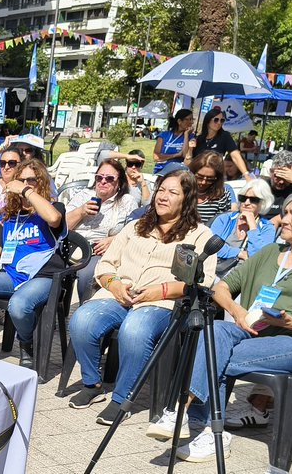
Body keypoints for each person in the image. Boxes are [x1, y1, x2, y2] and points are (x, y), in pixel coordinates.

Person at [152, 189, 292, 462]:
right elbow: (222, 287)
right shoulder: (270, 251)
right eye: (285, 212)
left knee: (213, 352)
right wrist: (237, 311)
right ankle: (205, 426)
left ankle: (190, 417)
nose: (283, 219)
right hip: (246, 330)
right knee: (216, 332)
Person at [66, 168, 217, 423]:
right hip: (119, 294)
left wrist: (157, 292)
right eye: (160, 190)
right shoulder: (136, 226)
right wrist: (114, 285)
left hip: (162, 302)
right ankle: (93, 384)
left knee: (134, 330)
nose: (162, 196)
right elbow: (105, 265)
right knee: (82, 320)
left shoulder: (199, 234)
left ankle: (122, 399)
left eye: (172, 192)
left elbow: (203, 281)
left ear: (186, 199)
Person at [0, 159, 66, 359]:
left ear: (40, 183)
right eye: (22, 180)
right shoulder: (8, 215)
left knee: (18, 305)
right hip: (12, 274)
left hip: (43, 276)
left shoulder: (54, 206)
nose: (26, 183)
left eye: (31, 180)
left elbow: (54, 219)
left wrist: (26, 191)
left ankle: (25, 341)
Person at [64, 159, 140, 301]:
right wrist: (81, 211)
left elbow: (134, 231)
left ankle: (84, 312)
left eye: (109, 178)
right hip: (70, 248)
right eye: (99, 177)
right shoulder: (84, 196)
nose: (103, 181)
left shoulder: (127, 201)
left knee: (87, 275)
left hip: (98, 251)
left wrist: (114, 240)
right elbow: (62, 227)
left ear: (119, 182)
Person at [210, 178, 277, 277]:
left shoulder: (267, 227)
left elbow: (260, 257)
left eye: (253, 200)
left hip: (247, 276)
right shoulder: (224, 219)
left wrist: (253, 227)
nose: (246, 202)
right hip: (216, 272)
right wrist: (239, 253)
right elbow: (212, 247)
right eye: (243, 198)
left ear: (263, 203)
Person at [186, 107, 251, 181]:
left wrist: (246, 175)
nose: (219, 123)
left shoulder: (225, 136)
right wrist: (190, 149)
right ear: (208, 121)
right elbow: (188, 164)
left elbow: (235, 155)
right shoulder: (198, 139)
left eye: (222, 120)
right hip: (198, 178)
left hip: (215, 178)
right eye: (216, 120)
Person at [190, 151, 232, 226]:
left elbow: (222, 224)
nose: (203, 182)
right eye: (199, 177)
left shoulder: (222, 195)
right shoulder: (183, 189)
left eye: (210, 179)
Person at [265, 149, 292, 223]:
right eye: (278, 177)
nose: (281, 182)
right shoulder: (261, 186)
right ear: (271, 172)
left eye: (286, 178)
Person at [153, 109, 194, 173]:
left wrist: (186, 135)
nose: (192, 122)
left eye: (192, 119)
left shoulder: (191, 137)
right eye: (188, 119)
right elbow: (156, 157)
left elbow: (185, 155)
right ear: (179, 121)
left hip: (177, 171)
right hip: (161, 169)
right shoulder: (164, 135)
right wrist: (176, 155)